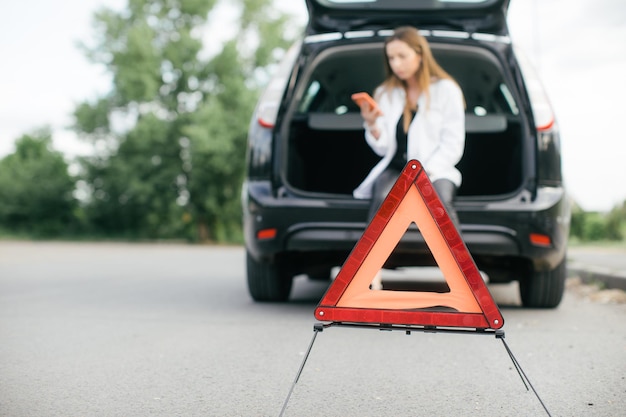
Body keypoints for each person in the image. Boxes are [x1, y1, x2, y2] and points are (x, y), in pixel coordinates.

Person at [354, 26, 466, 289]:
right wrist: (371, 124)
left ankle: (462, 279)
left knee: (441, 201)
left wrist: (422, 176)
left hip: (436, 169)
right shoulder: (385, 92)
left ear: (420, 54)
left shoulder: (447, 90)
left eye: (402, 56)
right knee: (382, 198)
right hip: (397, 168)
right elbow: (383, 147)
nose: (396, 64)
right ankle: (372, 277)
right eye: (391, 58)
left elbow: (453, 144)